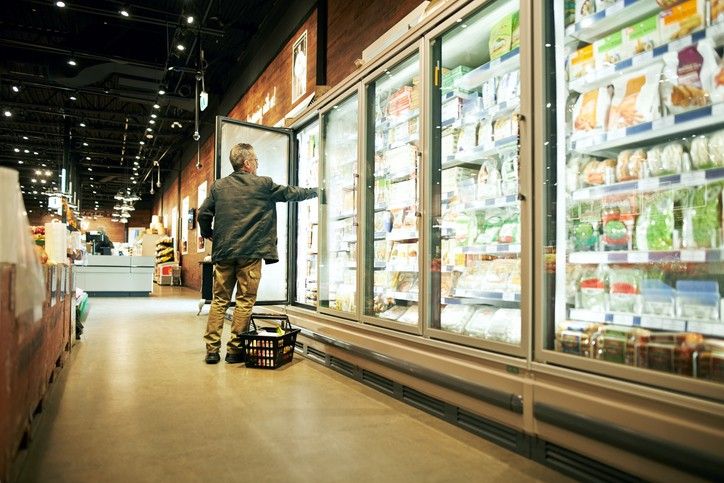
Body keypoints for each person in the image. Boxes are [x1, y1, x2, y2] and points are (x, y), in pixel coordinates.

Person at [197, 143, 318, 364]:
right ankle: (235, 351)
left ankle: (212, 351)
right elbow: (291, 193)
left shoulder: (218, 187)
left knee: (219, 300)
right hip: (251, 254)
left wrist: (209, 233)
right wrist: (315, 192)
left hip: (224, 253)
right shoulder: (263, 184)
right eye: (256, 160)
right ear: (247, 163)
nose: (257, 164)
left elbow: (203, 214)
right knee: (244, 301)